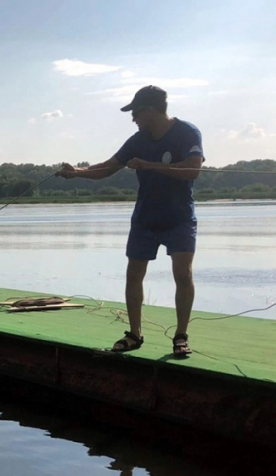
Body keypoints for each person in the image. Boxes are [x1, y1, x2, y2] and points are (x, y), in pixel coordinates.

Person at [56, 85, 203, 357]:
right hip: (145, 218)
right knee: (134, 275)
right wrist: (77, 172)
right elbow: (107, 168)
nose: (132, 118)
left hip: (179, 217)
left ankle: (181, 336)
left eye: (134, 112)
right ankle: (135, 334)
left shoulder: (187, 132)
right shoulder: (137, 140)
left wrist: (150, 166)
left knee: (183, 274)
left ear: (149, 110)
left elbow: (193, 170)